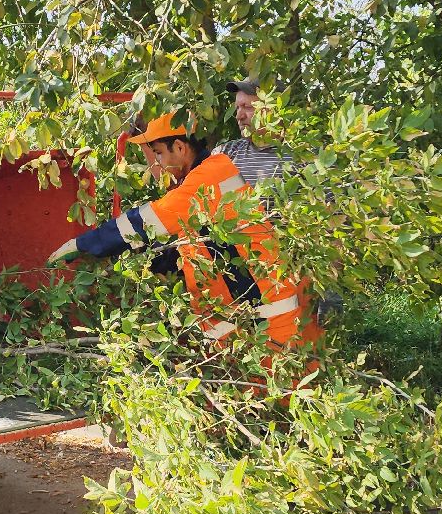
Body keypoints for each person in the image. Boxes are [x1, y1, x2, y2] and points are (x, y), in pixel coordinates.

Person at [49, 113, 320, 353]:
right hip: (254, 324)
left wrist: (83, 244)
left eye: (157, 153)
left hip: (272, 326)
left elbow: (144, 222)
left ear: (179, 147)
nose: (155, 162)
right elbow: (190, 249)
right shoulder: (202, 179)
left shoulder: (208, 177)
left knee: (284, 404)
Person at [214, 78, 293, 183]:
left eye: (248, 107)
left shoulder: (301, 154)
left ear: (275, 109)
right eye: (237, 108)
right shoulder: (226, 152)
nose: (238, 116)